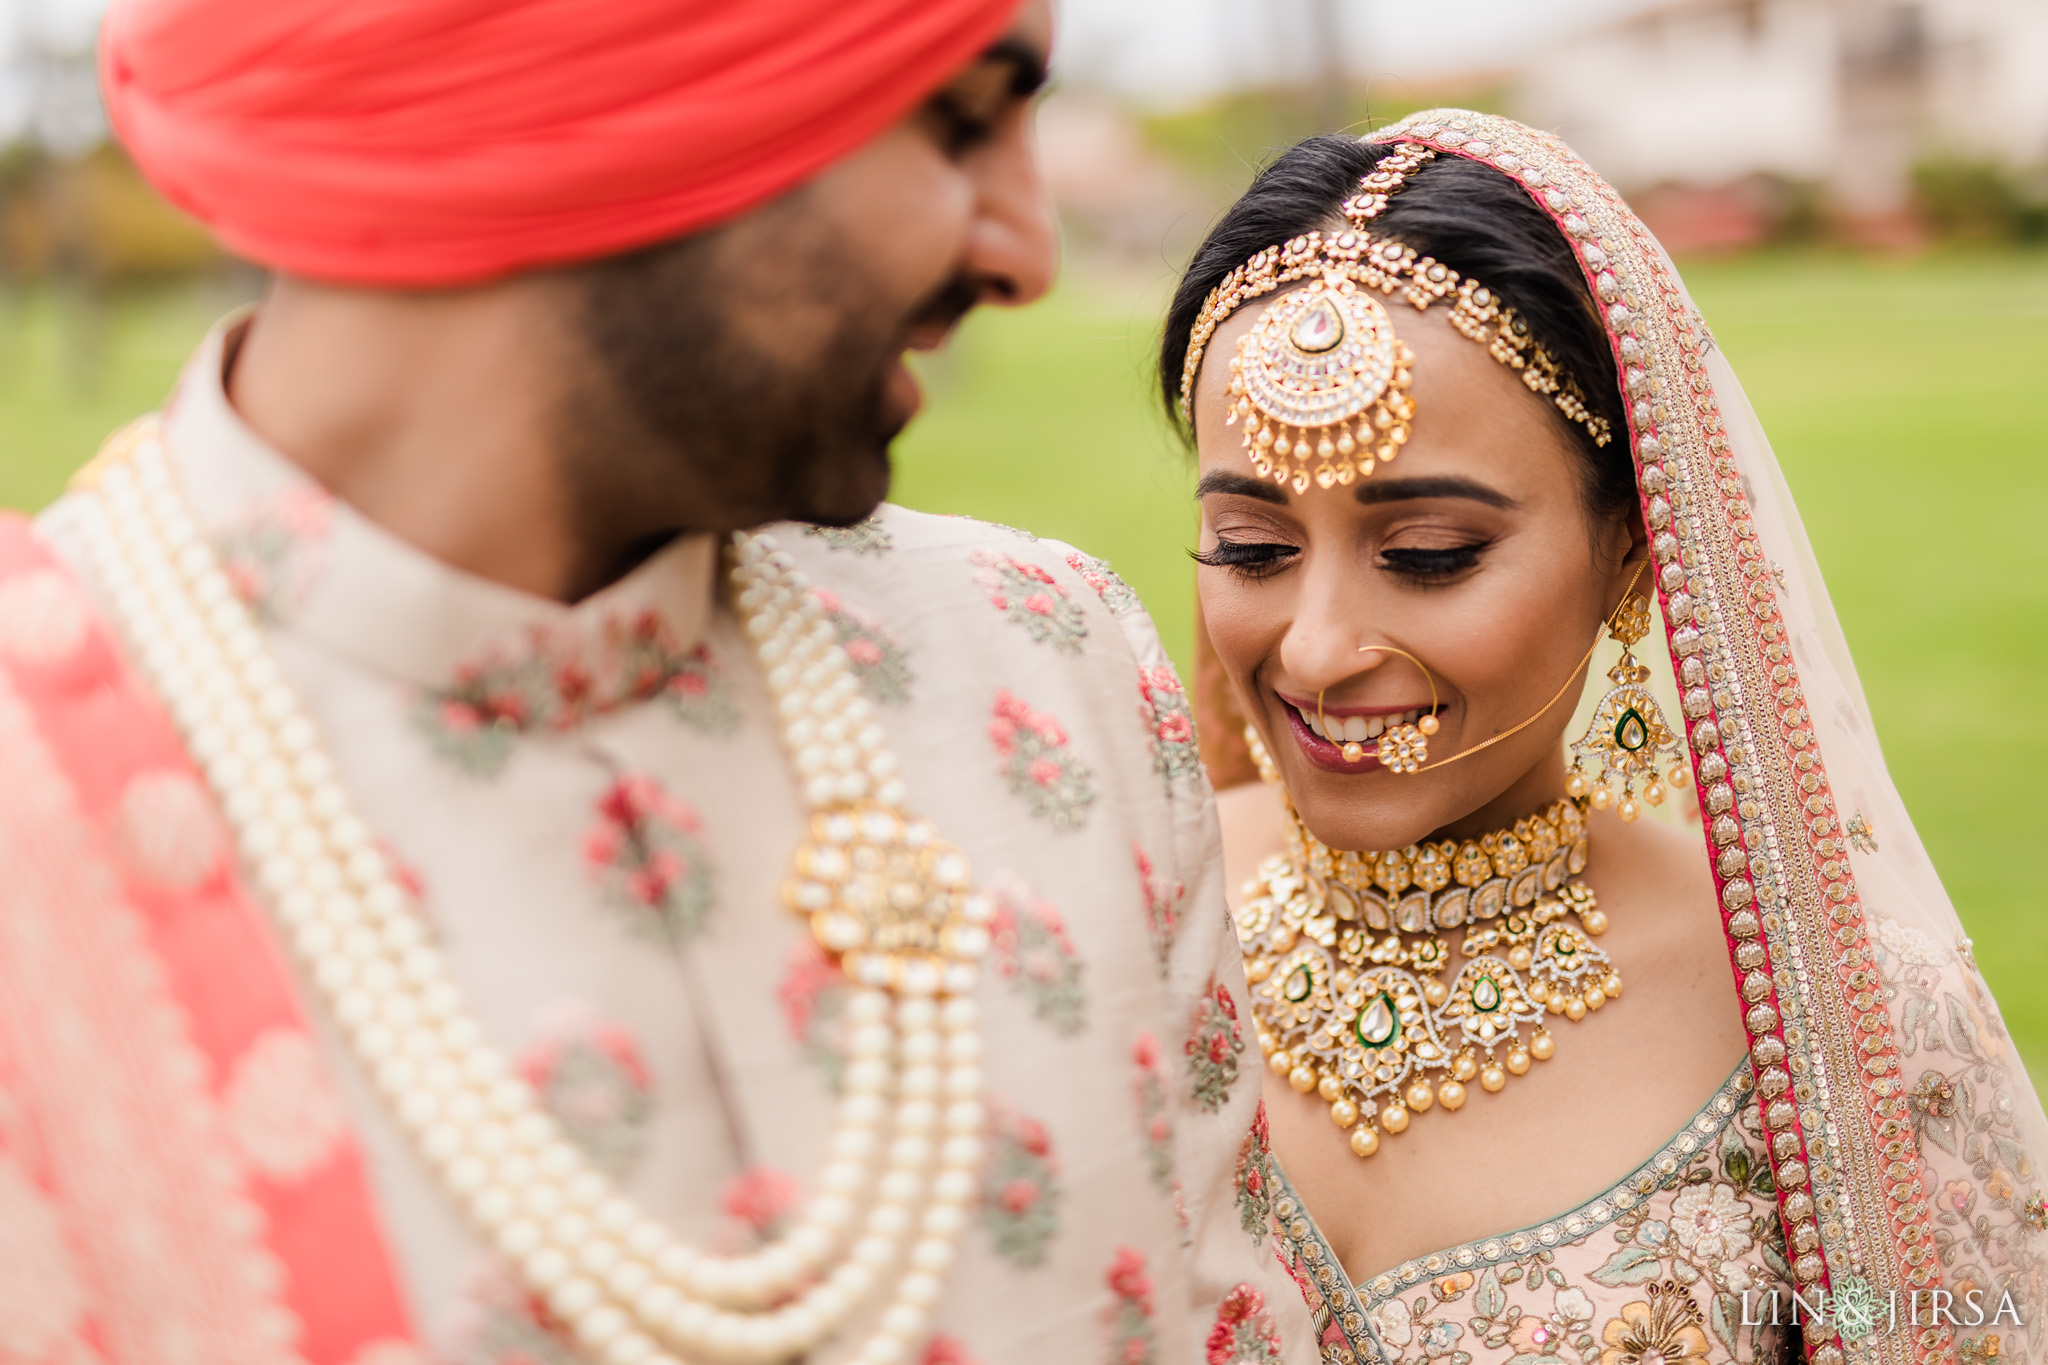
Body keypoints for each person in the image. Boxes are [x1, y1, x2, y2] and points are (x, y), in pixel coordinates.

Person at [0, 2, 1315, 1362]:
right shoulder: (34, 800)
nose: (1025, 251)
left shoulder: (1049, 657)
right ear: (583, 80)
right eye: (961, 120)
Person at [1164, 111, 2048, 1365]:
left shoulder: (1834, 1014)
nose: (1312, 650)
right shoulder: (1133, 914)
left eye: (1426, 556)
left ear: (1632, 548)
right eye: (1251, 550)